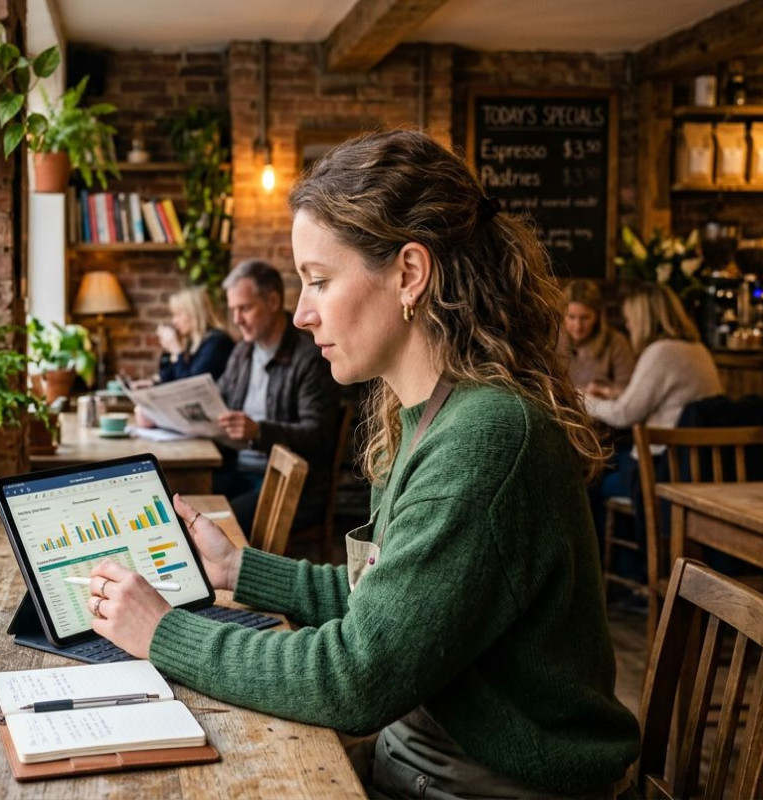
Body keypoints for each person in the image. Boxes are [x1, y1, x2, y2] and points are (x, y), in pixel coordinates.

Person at [82, 130, 639, 799]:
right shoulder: (433, 415)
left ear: (409, 273)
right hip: (418, 761)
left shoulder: (485, 440)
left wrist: (163, 632)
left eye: (319, 280)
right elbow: (391, 607)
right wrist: (239, 569)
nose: (302, 312)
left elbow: (353, 678)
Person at [583, 282, 724, 547]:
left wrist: (582, 399)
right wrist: (612, 392)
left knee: (590, 476)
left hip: (661, 469)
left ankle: (621, 570)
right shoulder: (697, 349)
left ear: (643, 318)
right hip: (692, 464)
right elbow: (663, 401)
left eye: (630, 320)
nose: (629, 327)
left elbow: (624, 415)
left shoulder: (661, 351)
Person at [211, 259, 339, 536]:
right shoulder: (243, 351)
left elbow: (320, 435)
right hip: (238, 469)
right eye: (233, 310)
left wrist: (258, 432)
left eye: (244, 308)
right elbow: (217, 399)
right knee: (181, 500)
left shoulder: (310, 358)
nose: (236, 319)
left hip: (288, 484)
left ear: (272, 301)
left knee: (214, 524)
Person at [560, 279, 635, 394]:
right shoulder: (554, 340)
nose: (578, 326)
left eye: (585, 318)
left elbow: (629, 392)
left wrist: (605, 391)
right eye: (571, 317)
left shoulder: (616, 342)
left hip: (601, 409)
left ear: (598, 316)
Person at [153, 286, 233, 384]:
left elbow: (190, 385)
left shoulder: (217, 342)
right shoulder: (192, 343)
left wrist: (176, 349)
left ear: (194, 314)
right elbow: (168, 378)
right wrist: (169, 351)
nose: (174, 321)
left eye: (178, 315)